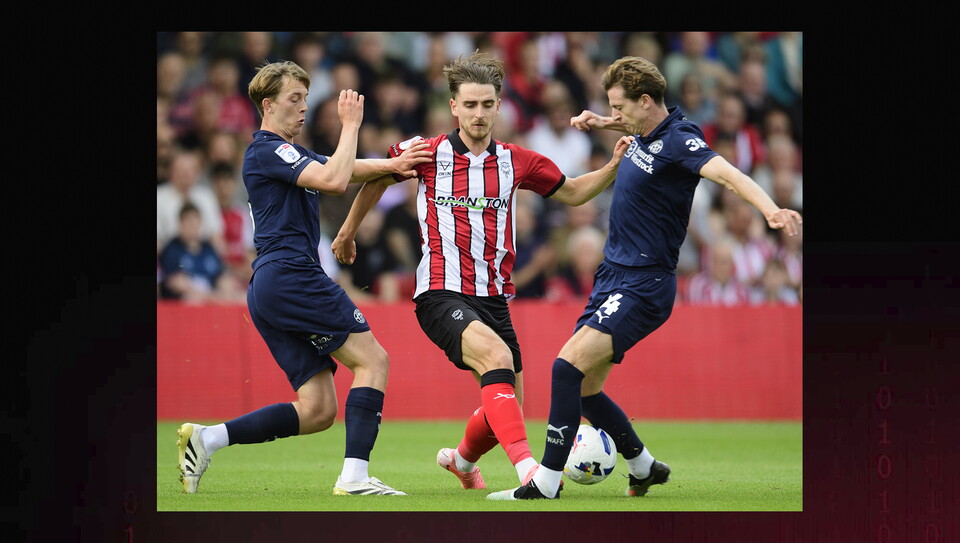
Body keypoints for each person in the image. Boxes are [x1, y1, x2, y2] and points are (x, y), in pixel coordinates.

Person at [487, 55, 801, 500]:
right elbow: (637, 130)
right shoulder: (643, 131)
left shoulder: (680, 140)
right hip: (613, 276)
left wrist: (769, 209)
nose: (616, 115)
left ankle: (545, 483)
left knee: (564, 368)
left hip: (644, 282)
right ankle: (644, 466)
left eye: (619, 107)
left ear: (646, 101)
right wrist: (603, 123)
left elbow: (727, 174)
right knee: (587, 391)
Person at [331, 51, 634, 492]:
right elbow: (377, 177)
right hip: (440, 289)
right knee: (497, 361)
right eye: (469, 104)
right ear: (453, 106)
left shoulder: (519, 161)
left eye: (486, 104)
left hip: (494, 296)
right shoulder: (426, 153)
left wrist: (611, 167)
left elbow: (570, 194)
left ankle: (461, 460)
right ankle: (530, 472)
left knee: (507, 402)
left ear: (498, 105)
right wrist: (346, 233)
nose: (478, 114)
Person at [176, 60, 432, 497]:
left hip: (271, 286)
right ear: (267, 105)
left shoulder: (288, 155)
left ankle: (207, 438)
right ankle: (354, 478)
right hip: (293, 275)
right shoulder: (265, 150)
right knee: (374, 361)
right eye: (294, 100)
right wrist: (350, 124)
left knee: (317, 410)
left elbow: (347, 169)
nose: (302, 109)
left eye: (305, 100)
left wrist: (398, 164)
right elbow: (335, 178)